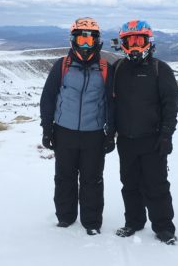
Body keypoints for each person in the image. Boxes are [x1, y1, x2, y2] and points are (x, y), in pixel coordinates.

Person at [40, 17, 115, 235]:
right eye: (80, 38)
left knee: (92, 179)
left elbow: (112, 104)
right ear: (73, 40)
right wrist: (47, 128)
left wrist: (111, 134)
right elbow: (48, 98)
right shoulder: (62, 66)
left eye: (89, 40)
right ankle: (65, 217)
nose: (85, 44)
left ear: (97, 41)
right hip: (64, 132)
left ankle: (91, 222)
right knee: (64, 177)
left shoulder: (105, 68)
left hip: (94, 134)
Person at [113, 20, 178, 244]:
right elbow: (112, 103)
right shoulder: (118, 69)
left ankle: (164, 227)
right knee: (129, 183)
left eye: (138, 40)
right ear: (122, 43)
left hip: (153, 140)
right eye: (129, 40)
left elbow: (171, 106)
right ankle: (134, 221)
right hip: (125, 139)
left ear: (148, 42)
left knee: (156, 184)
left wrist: (166, 135)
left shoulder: (160, 69)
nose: (133, 45)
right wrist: (109, 132)